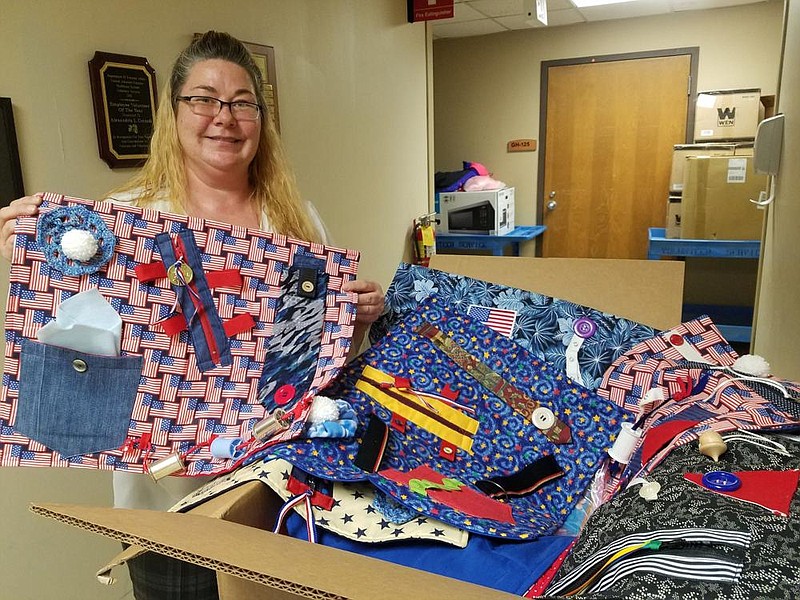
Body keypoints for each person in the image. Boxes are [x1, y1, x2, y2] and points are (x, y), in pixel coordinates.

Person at [0, 30, 384, 599]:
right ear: (174, 113)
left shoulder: (296, 221)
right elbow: (73, 349)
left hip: (280, 498)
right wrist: (27, 254)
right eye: (203, 99)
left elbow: (314, 365)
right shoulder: (122, 222)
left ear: (260, 118)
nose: (223, 117)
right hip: (168, 514)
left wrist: (352, 320)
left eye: (242, 102)